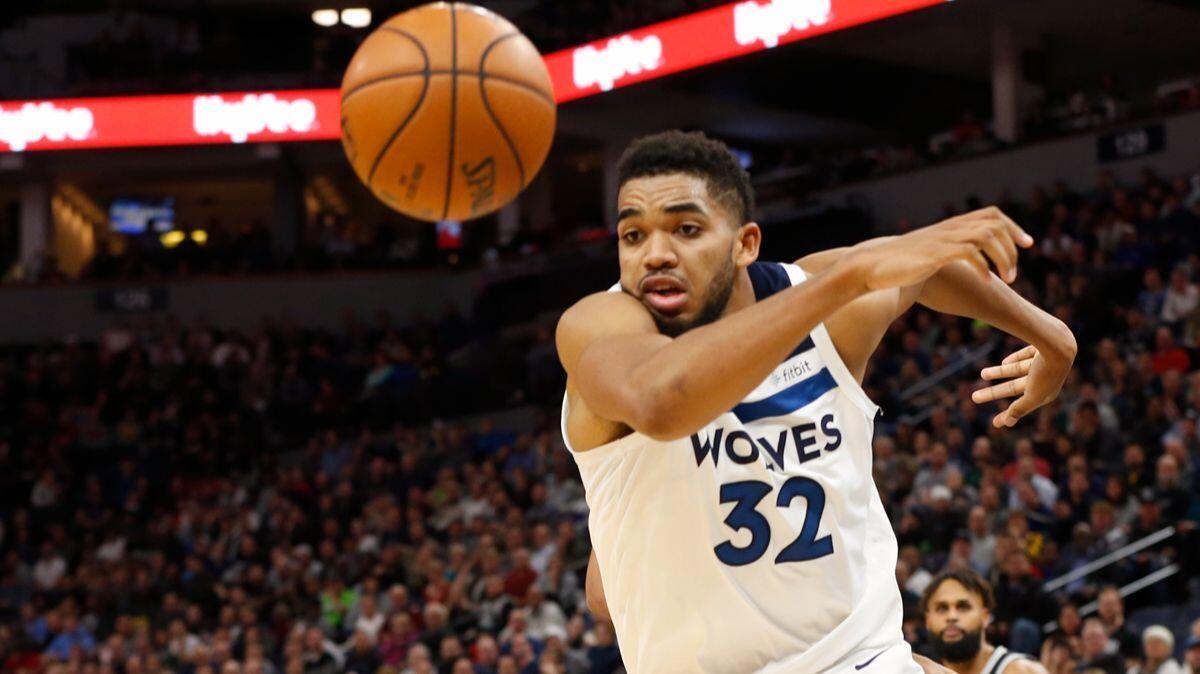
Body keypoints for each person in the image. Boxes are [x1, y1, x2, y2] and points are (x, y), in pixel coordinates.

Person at [557, 131, 1076, 673]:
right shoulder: (599, 328)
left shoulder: (822, 306)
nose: (656, 254)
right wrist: (848, 278)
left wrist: (1051, 337)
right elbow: (661, 403)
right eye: (633, 235)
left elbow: (926, 267)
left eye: (686, 230)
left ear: (744, 244)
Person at [921, 569, 1047, 674]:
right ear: (928, 620)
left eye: (963, 607)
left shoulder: (1021, 670)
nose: (952, 616)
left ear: (985, 616)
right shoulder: (919, 670)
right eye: (942, 608)